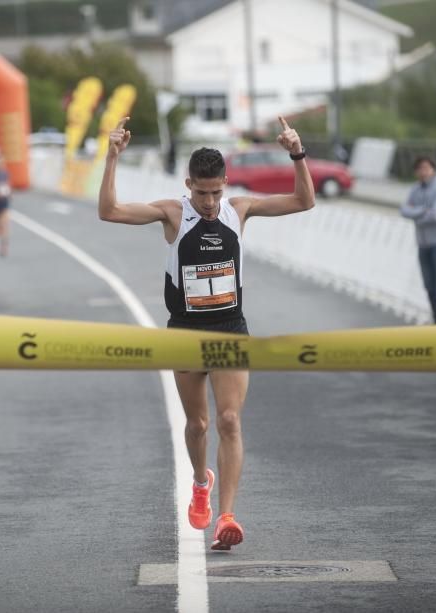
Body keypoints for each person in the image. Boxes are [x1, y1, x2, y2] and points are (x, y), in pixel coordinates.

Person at [98, 115, 315, 551]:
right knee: (197, 424)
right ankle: (201, 482)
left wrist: (297, 153)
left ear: (225, 184)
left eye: (217, 192)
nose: (211, 202)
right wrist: (111, 158)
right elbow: (109, 212)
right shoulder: (172, 213)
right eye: (202, 193)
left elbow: (303, 201)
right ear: (188, 185)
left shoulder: (240, 209)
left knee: (229, 420)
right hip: (185, 332)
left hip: (231, 328)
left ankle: (228, 515)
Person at [400, 156, 436, 324]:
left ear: (433, 169)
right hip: (423, 244)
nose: (423, 172)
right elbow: (404, 210)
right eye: (419, 169)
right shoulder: (415, 189)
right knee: (429, 286)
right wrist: (423, 211)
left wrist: (416, 214)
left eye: (426, 168)